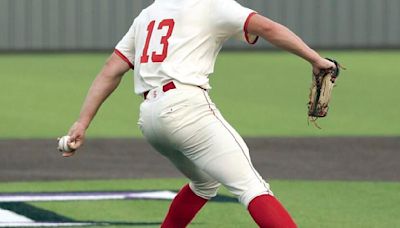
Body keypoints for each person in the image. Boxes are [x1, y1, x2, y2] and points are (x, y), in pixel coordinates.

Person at [62, 0, 336, 227]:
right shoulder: (210, 4)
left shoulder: (148, 14)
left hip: (150, 119)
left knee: (204, 183)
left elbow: (112, 68)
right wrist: (316, 59)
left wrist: (82, 122)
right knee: (251, 186)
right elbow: (266, 27)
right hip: (185, 107)